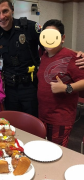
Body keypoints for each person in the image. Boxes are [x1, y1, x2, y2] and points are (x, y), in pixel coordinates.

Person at [0, 0, 84, 117]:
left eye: (5, 11)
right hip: (9, 89)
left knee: (32, 124)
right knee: (13, 123)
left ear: (12, 10)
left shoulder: (29, 27)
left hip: (30, 87)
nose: (1, 16)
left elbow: (53, 44)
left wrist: (77, 53)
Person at [37, 19, 84, 147]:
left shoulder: (73, 57)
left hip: (61, 118)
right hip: (43, 115)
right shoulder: (43, 56)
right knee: (45, 149)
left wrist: (67, 88)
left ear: (62, 38)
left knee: (57, 152)